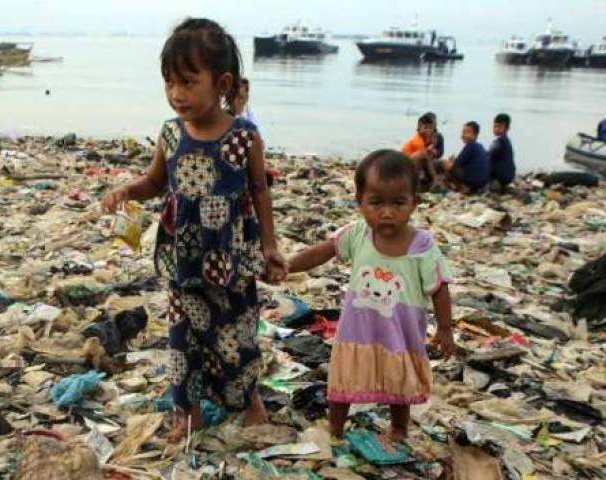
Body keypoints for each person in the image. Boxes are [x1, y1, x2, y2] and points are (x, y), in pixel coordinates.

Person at [102, 18, 287, 442]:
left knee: (237, 334)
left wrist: (270, 247)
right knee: (183, 338)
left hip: (231, 256)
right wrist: (125, 190)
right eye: (169, 82)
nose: (176, 94)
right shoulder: (170, 133)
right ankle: (188, 411)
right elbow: (154, 183)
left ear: (221, 83)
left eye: (187, 82)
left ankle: (248, 399)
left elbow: (260, 191)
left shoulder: (244, 136)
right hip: (183, 258)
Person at [288, 150, 455, 441]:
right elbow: (321, 252)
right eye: (376, 202)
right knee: (343, 380)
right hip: (357, 332)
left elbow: (440, 289)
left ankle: (399, 427)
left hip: (399, 335)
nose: (387, 212)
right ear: (360, 202)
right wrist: (287, 266)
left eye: (398, 203)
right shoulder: (357, 235)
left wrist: (444, 328)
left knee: (399, 383)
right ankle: (335, 429)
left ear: (414, 202)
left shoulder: (422, 246)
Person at [442, 121, 490, 193]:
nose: (464, 135)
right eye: (463, 132)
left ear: (475, 135)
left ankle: (462, 187)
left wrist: (450, 161)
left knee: (445, 163)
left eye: (468, 132)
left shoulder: (470, 145)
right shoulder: (480, 146)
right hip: (483, 182)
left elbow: (456, 163)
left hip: (473, 181)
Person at [402, 113, 438, 189]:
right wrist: (434, 177)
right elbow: (425, 158)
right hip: (404, 167)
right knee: (421, 155)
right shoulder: (417, 140)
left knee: (426, 157)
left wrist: (432, 149)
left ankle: (429, 181)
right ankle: (416, 184)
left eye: (430, 128)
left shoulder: (427, 140)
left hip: (411, 164)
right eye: (425, 128)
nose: (428, 130)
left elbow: (430, 157)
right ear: (419, 128)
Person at [488, 113, 515, 189]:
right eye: (495, 126)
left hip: (502, 176)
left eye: (499, 127)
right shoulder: (507, 140)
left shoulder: (500, 141)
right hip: (509, 176)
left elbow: (488, 155)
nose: (496, 129)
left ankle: (493, 183)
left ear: (507, 128)